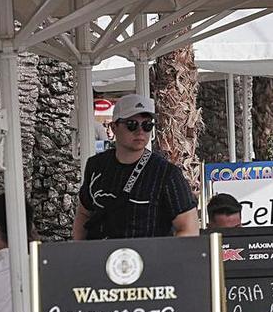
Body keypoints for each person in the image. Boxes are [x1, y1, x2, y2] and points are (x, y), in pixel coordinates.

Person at [73, 94, 199, 240]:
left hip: (145, 259)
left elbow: (189, 228)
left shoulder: (167, 173)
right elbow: (83, 213)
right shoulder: (96, 165)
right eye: (131, 124)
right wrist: (80, 253)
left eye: (147, 126)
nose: (140, 131)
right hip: (99, 257)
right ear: (114, 127)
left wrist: (160, 258)